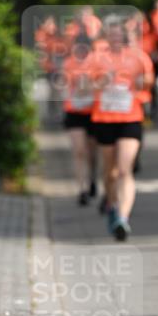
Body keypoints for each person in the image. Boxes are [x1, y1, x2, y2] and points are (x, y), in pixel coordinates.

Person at [88, 16, 153, 240]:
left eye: (119, 34)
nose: (116, 38)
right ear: (106, 36)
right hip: (105, 119)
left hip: (130, 117)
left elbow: (149, 81)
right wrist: (101, 83)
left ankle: (122, 218)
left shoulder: (137, 57)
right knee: (110, 172)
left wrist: (140, 83)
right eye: (112, 34)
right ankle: (112, 204)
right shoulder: (96, 58)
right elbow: (84, 86)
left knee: (125, 169)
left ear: (125, 36)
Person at [61, 34, 98, 205]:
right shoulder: (68, 63)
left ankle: (92, 178)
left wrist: (90, 86)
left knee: (91, 152)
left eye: (85, 47)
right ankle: (81, 189)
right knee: (79, 151)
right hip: (74, 111)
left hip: (93, 112)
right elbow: (63, 84)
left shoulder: (97, 63)